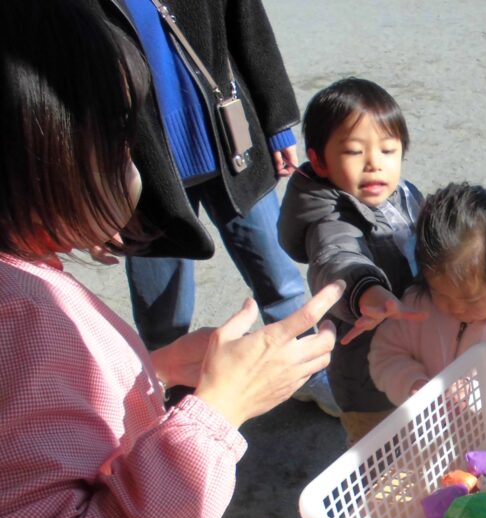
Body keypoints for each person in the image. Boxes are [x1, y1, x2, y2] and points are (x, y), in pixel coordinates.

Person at [0, 2, 340, 518]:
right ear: (38, 143)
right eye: (121, 131)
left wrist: (149, 375)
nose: (138, 160)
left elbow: (32, 441)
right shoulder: (22, 315)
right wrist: (218, 413)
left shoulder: (23, 287)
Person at [96, 0, 340, 416]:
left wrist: (277, 121)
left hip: (230, 144)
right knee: (161, 309)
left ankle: (305, 371)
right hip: (144, 168)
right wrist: (95, 194)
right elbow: (69, 90)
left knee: (278, 277)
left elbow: (249, 25)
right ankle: (168, 392)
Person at [279, 78, 426, 443]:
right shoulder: (329, 221)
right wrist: (367, 291)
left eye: (388, 150)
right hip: (369, 382)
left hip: (414, 360)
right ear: (319, 161)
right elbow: (338, 259)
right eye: (354, 152)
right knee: (383, 469)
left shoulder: (404, 195)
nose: (374, 164)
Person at [368, 182, 486, 408]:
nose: (456, 308)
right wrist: (413, 383)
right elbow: (385, 356)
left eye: (471, 299)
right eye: (441, 293)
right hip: (431, 440)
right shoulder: (417, 306)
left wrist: (478, 394)